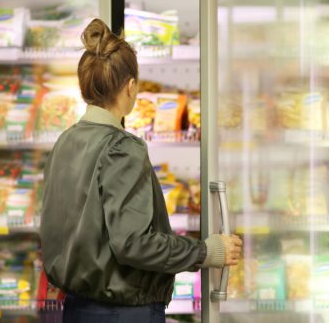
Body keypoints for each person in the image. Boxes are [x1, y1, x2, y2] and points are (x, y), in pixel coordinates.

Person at [40, 18, 242, 322]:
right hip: (123, 312)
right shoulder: (121, 148)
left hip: (77, 309)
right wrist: (206, 251)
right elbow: (133, 244)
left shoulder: (65, 142)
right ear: (131, 87)